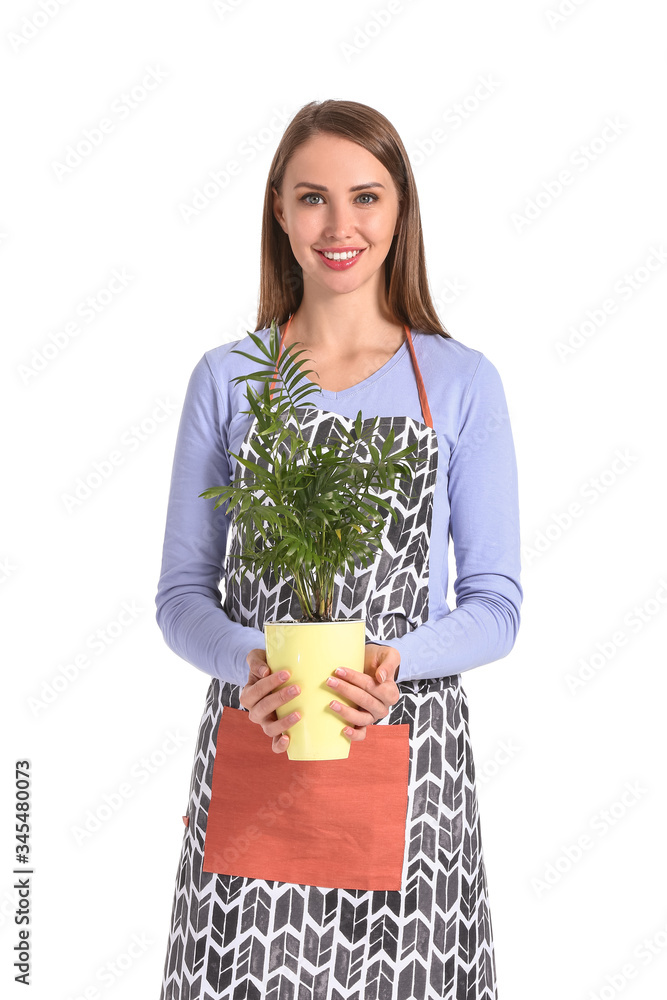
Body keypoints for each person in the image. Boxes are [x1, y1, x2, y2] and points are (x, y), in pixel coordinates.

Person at [155, 99, 522, 1000]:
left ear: (400, 211)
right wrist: (253, 662)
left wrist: (394, 662)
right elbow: (180, 595)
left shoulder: (460, 381)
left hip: (408, 764)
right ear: (278, 210)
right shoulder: (230, 378)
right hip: (261, 740)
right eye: (312, 198)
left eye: (366, 196)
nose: (340, 225)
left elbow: (496, 602)